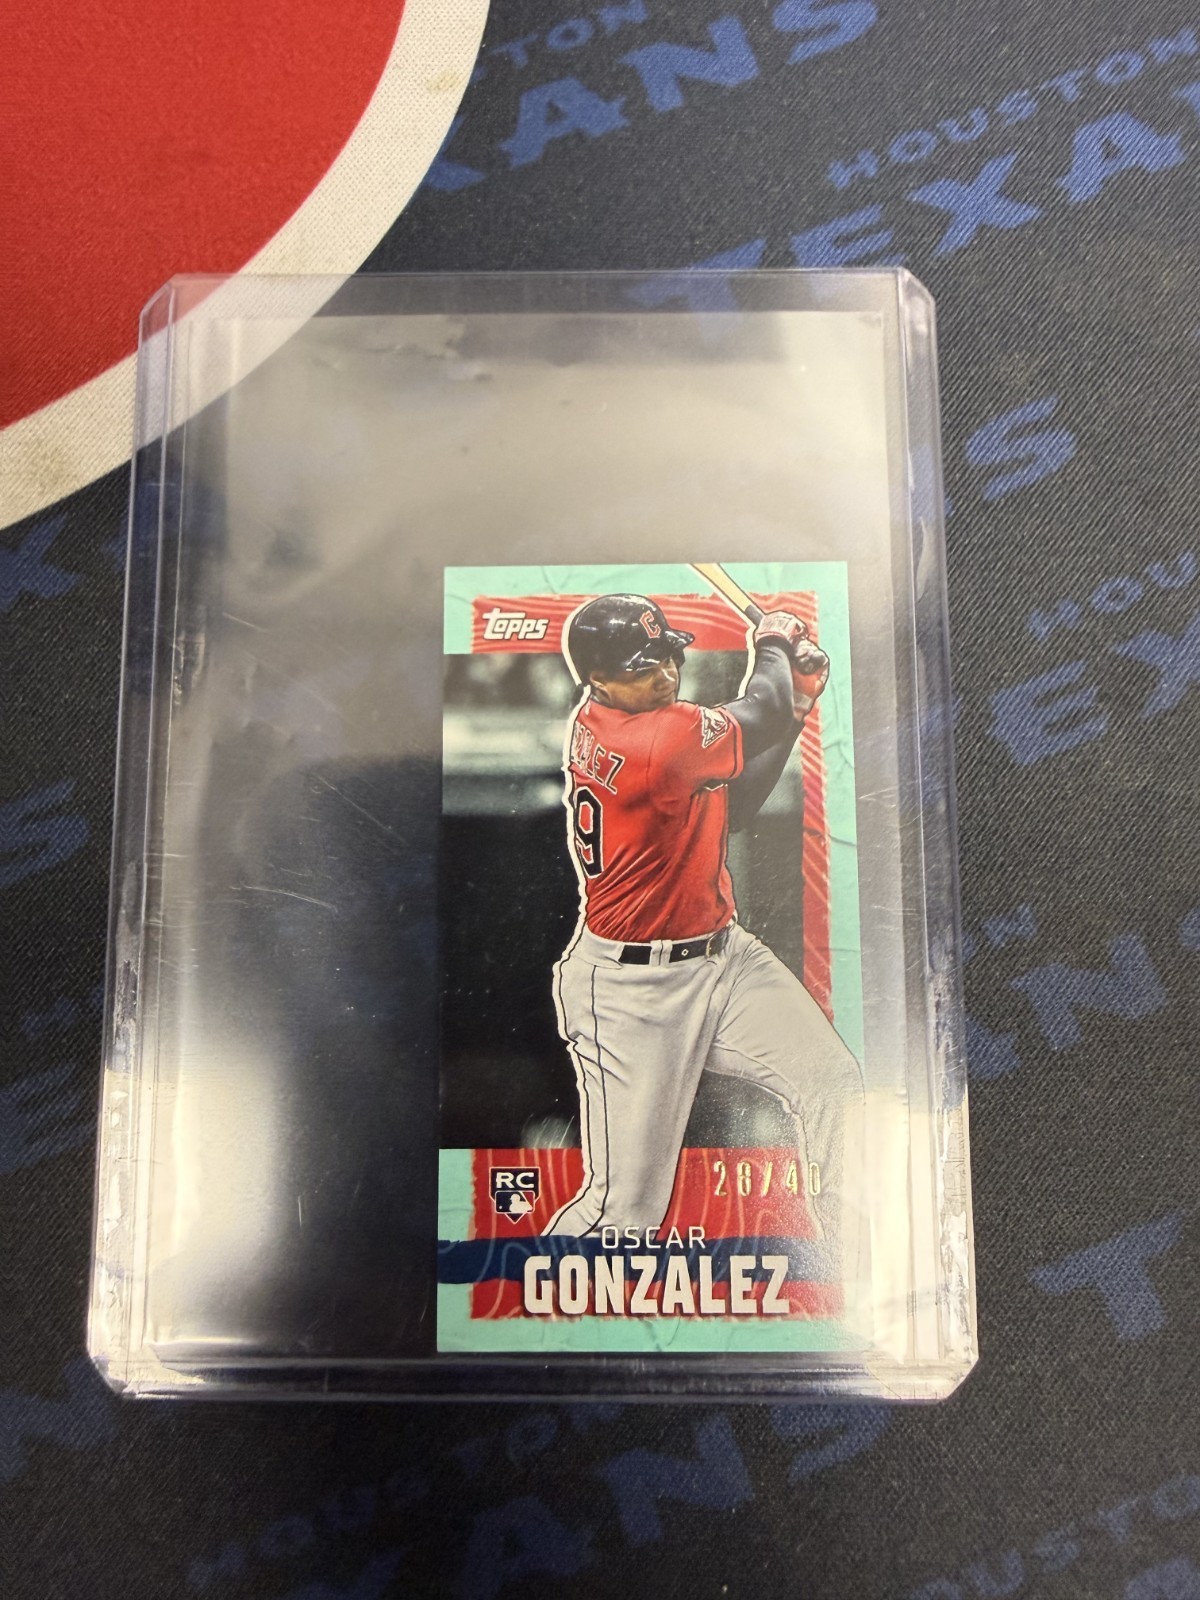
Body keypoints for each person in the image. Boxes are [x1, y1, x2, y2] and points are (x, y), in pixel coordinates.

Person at [545, 592, 864, 1278]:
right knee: (621, 1216)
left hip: (724, 955)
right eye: (641, 666)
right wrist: (773, 643)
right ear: (597, 679)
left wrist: (796, 706)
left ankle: (852, 1264)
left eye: (668, 655)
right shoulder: (657, 737)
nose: (664, 673)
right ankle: (526, 1305)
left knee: (834, 1082)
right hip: (634, 992)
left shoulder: (643, 727)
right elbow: (760, 710)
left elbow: (733, 807)